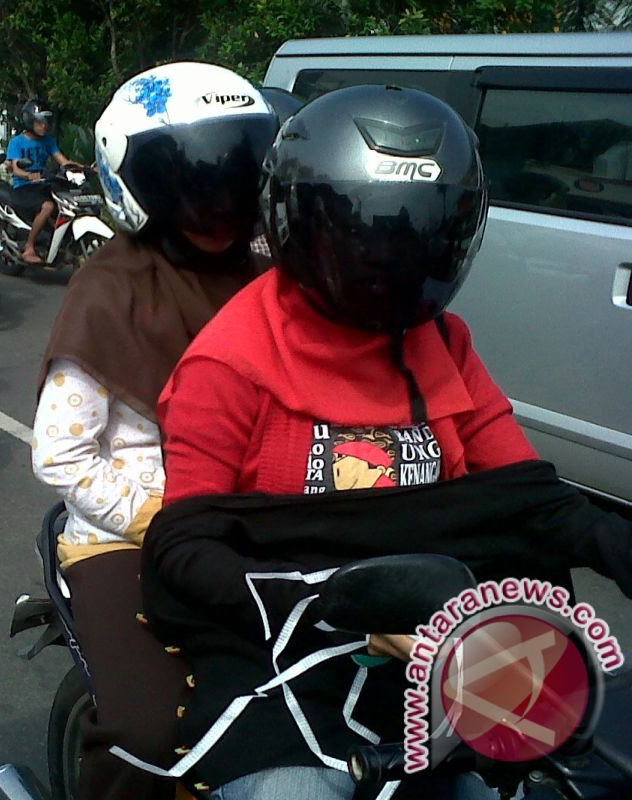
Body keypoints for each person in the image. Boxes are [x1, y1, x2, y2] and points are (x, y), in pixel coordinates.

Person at [142, 85, 632, 799]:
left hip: (443, 641)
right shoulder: (230, 362)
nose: (390, 261)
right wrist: (333, 603)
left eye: (415, 236)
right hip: (283, 651)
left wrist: (616, 544)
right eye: (365, 237)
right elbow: (188, 548)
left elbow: (526, 497)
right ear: (302, 226)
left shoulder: (442, 342)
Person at [30, 63, 278, 800]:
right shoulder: (110, 289)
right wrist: (168, 518)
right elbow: (61, 455)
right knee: (150, 729)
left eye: (235, 170)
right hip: (130, 536)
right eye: (190, 177)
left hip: (255, 521)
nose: (218, 198)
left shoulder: (271, 271)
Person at [6, 99, 72, 264]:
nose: (44, 126)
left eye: (46, 122)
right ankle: (29, 246)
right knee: (48, 206)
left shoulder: (48, 141)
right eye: (39, 122)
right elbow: (15, 168)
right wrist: (29, 176)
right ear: (30, 121)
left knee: (66, 204)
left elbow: (63, 161)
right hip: (24, 187)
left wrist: (87, 168)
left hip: (43, 185)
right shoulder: (17, 142)